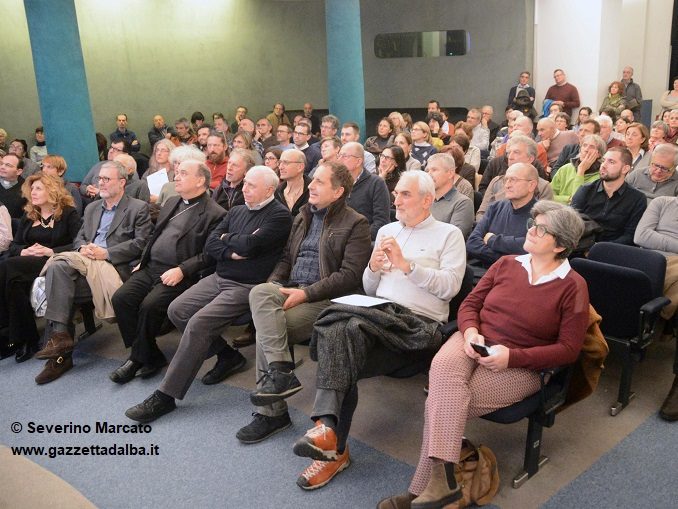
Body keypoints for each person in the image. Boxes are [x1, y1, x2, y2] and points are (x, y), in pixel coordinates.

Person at [378, 201, 588, 509]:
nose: (530, 230)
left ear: (561, 245)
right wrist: (471, 331)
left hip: (520, 362)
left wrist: (511, 357)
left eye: (541, 229)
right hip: (474, 339)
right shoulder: (506, 264)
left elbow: (569, 350)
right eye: (533, 223)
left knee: (444, 403)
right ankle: (442, 483)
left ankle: (419, 490)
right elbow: (469, 305)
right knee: (444, 380)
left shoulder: (573, 286)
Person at [291, 171, 466, 490]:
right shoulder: (387, 230)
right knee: (344, 338)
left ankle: (328, 434)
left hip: (419, 324)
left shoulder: (448, 234)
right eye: (396, 193)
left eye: (405, 195)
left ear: (427, 200)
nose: (396, 200)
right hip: (375, 315)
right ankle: (329, 438)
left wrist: (407, 266)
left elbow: (449, 289)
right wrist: (372, 268)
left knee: (338, 323)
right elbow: (371, 288)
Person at [124, 166, 293, 423]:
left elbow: (250, 245)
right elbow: (212, 244)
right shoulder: (236, 210)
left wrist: (229, 239)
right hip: (219, 277)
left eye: (251, 185)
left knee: (198, 324)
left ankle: (165, 395)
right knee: (176, 310)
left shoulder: (279, 216)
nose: (244, 189)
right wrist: (229, 247)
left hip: (246, 285)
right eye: (244, 183)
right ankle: (227, 356)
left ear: (270, 190)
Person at [235, 161, 371, 445]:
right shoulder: (302, 216)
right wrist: (275, 284)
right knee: (260, 292)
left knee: (271, 327)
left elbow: (349, 276)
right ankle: (282, 371)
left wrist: (305, 294)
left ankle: (272, 413)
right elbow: (286, 259)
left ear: (338, 191)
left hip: (326, 298)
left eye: (320, 182)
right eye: (313, 180)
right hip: (291, 289)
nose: (311, 185)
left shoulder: (355, 223)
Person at [33, 161, 152, 384]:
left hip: (113, 267)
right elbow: (79, 237)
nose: (101, 183)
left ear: (122, 182)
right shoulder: (92, 208)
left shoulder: (137, 207)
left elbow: (141, 244)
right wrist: (82, 248)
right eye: (99, 179)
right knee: (58, 270)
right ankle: (60, 342)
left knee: (57, 279)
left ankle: (60, 353)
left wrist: (105, 252)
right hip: (83, 261)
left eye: (107, 179)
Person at [109, 160, 226, 384]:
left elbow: (209, 254)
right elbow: (155, 235)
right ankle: (149, 354)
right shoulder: (173, 201)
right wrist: (143, 261)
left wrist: (182, 270)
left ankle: (137, 358)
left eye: (183, 173)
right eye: (177, 173)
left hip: (180, 272)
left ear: (200, 180)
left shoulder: (215, 213)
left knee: (149, 305)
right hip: (151, 266)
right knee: (121, 299)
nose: (177, 177)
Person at [0, 173, 80, 363]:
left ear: (51, 190)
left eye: (38, 188)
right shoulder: (30, 215)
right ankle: (27, 339)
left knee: (5, 267)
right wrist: (24, 251)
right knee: (14, 284)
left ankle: (8, 334)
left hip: (53, 261)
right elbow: (14, 245)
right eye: (32, 189)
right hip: (25, 265)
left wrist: (50, 250)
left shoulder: (68, 213)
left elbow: (78, 243)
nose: (33, 193)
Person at [633, 196, 678, 421]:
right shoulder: (662, 202)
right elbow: (641, 236)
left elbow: (650, 237)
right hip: (647, 259)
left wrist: (658, 239)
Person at [467, 163, 538, 267]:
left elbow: (531, 247)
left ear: (531, 185)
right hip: (485, 271)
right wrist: (505, 257)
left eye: (513, 180)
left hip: (520, 276)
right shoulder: (495, 207)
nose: (507, 185)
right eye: (505, 180)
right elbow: (472, 243)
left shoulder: (541, 215)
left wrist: (492, 240)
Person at [571, 147, 646, 245]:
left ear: (625, 169)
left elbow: (630, 235)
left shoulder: (637, 199)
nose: (603, 165)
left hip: (613, 251)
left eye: (611, 162)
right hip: (581, 246)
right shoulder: (586, 190)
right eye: (603, 161)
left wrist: (601, 249)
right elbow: (570, 222)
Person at [339, 142, 391, 240]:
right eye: (339, 155)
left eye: (344, 156)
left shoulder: (376, 183)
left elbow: (381, 222)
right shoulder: (336, 182)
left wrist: (356, 238)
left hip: (363, 240)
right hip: (337, 238)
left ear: (358, 161)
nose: (339, 160)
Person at [426, 153, 474, 238]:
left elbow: (453, 238)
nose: (429, 174)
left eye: (434, 170)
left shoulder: (463, 203)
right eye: (427, 170)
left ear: (450, 173)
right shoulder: (424, 200)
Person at [213, 148, 256, 212]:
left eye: (235, 165)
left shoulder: (249, 193)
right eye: (229, 163)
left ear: (246, 171)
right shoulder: (219, 189)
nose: (229, 168)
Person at [275, 149, 310, 217]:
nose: (280, 167)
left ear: (300, 167)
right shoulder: (277, 192)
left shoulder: (313, 191)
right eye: (280, 162)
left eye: (285, 163)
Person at [0, 153, 27, 218]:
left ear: (18, 171)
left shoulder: (27, 188)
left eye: (8, 165)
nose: (2, 167)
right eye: (1, 164)